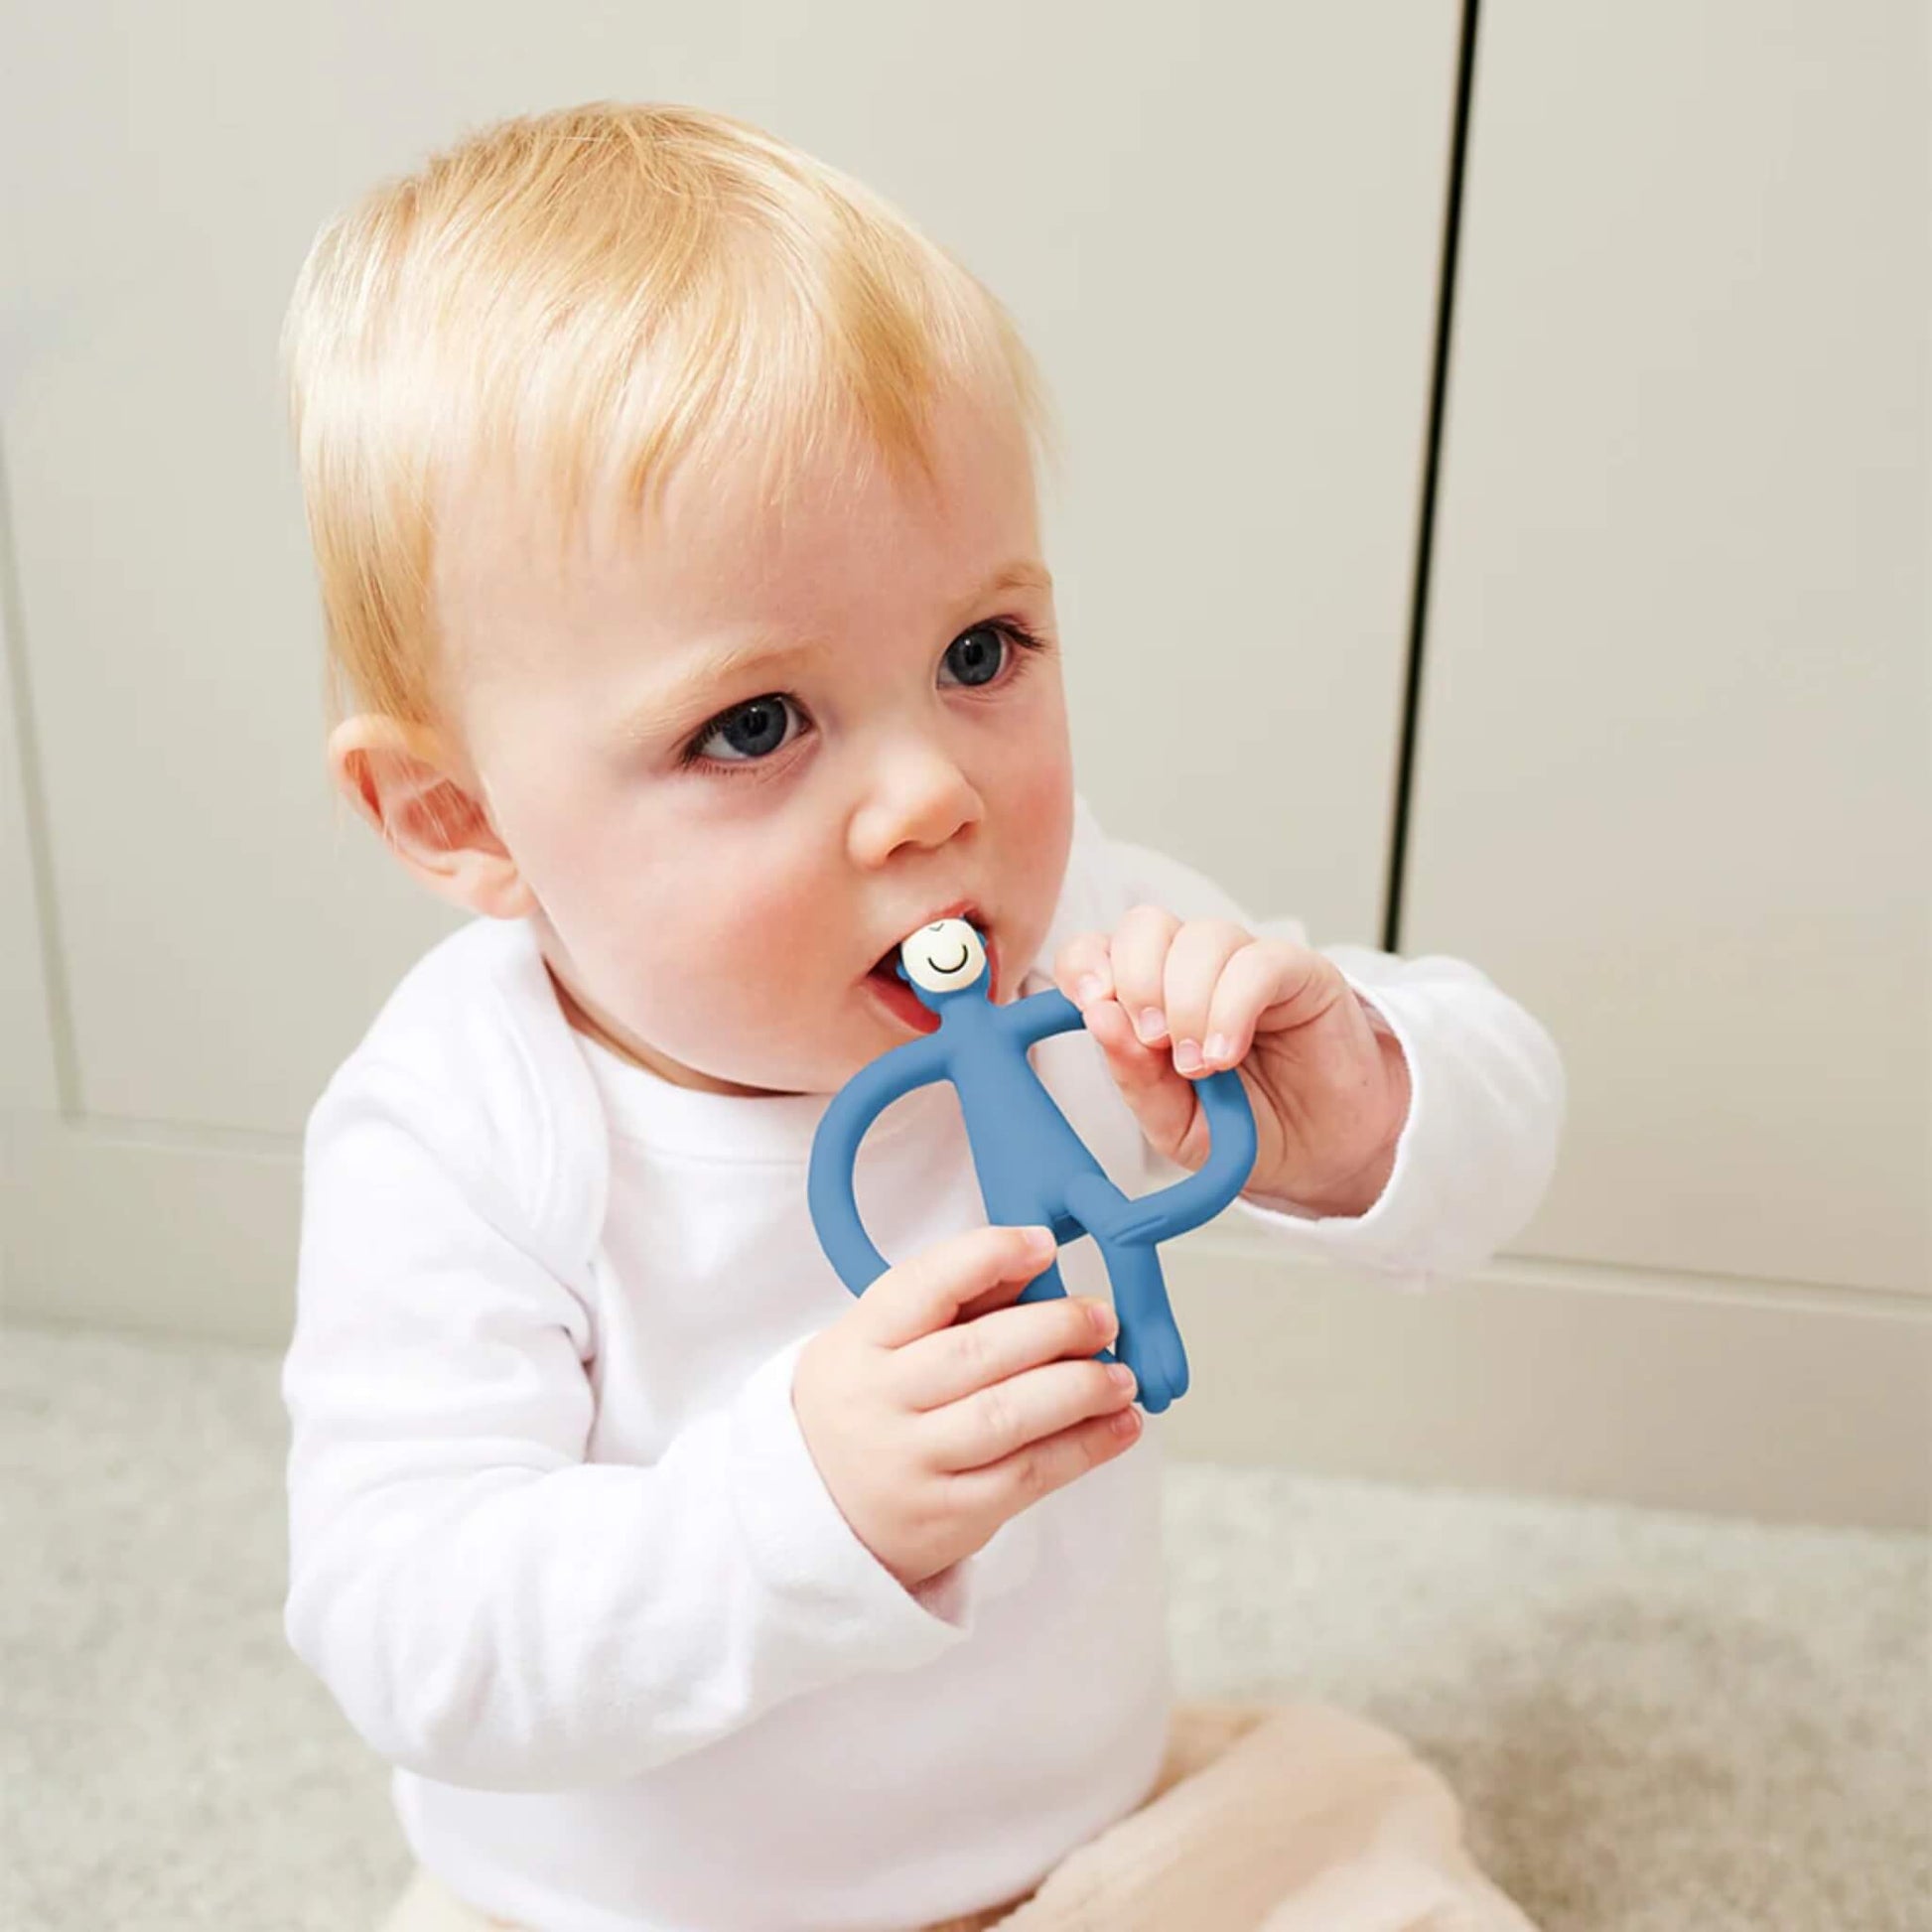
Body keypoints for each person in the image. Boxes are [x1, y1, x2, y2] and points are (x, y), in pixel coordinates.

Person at [279, 100, 1565, 1932]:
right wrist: (797, 1504)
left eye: (980, 657)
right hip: (621, 1911)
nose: (928, 801)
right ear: (462, 820)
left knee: (1357, 1858)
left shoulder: (1088, 935)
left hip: (1082, 1844)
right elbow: (410, 1629)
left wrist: (1349, 1099)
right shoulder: (461, 1119)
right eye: (753, 725)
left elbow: (1502, 1122)